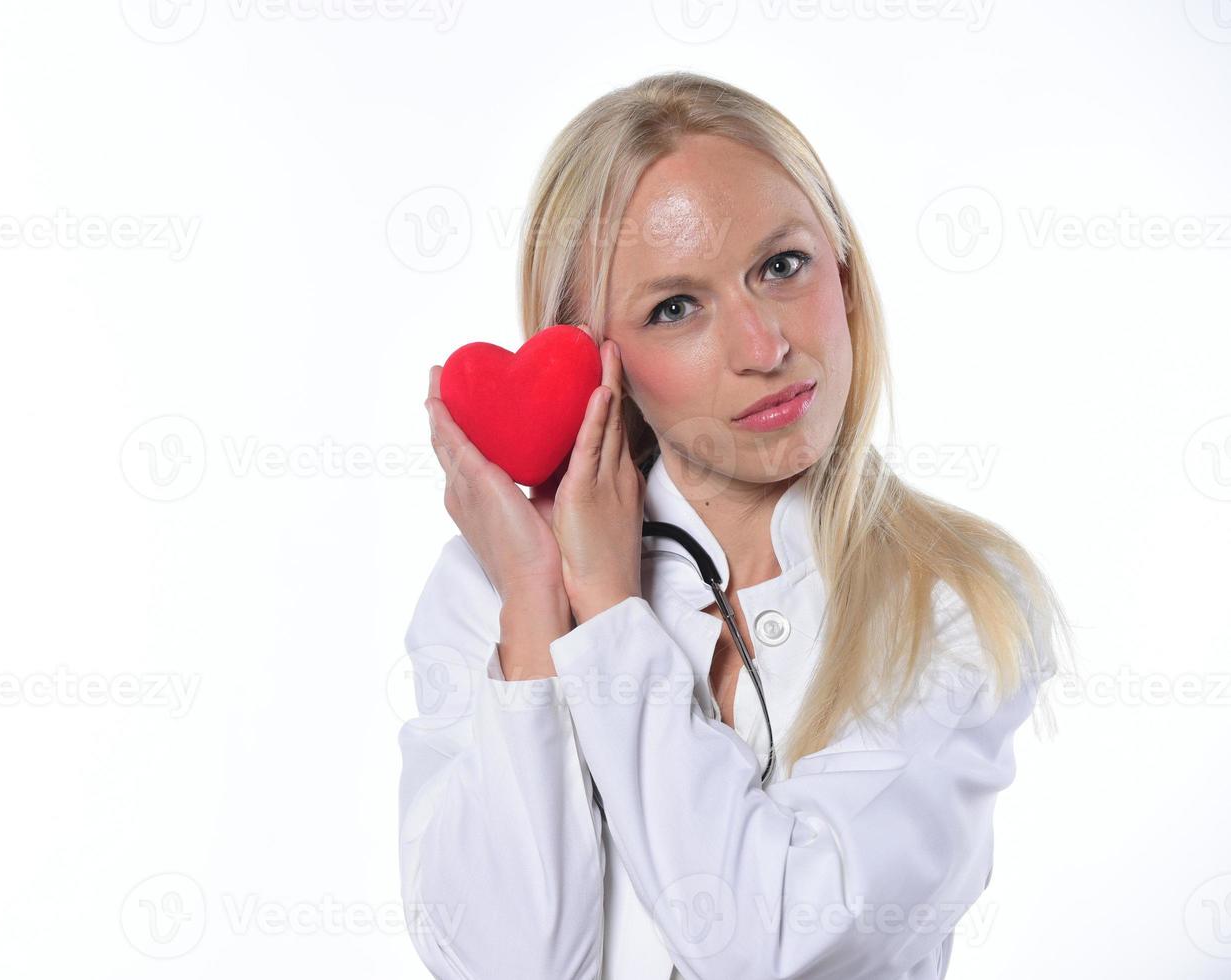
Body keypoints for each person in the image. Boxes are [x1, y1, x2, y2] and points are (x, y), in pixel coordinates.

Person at [398, 71, 1073, 980]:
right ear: (593, 361)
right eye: (675, 309)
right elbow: (505, 964)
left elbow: (784, 946)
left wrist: (604, 612)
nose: (763, 349)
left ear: (841, 261)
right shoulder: (487, 585)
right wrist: (534, 604)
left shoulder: (953, 599)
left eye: (781, 266)